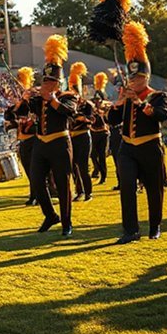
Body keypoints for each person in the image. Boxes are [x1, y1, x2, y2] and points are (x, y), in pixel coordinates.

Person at [109, 22, 167, 243]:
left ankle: (155, 226)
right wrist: (119, 102)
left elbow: (162, 116)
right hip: (127, 147)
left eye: (137, 78)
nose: (133, 81)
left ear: (146, 77)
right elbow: (112, 120)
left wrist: (140, 102)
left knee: (154, 189)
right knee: (126, 186)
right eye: (131, 78)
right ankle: (130, 230)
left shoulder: (157, 95)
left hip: (150, 146)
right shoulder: (126, 96)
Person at [27, 35, 78, 235]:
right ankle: (50, 215)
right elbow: (23, 112)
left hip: (60, 144)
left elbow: (70, 112)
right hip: (41, 144)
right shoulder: (38, 98)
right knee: (36, 180)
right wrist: (25, 98)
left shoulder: (68, 96)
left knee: (63, 183)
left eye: (50, 81)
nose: (46, 84)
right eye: (45, 81)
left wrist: (53, 100)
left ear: (58, 83)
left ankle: (67, 223)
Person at [3, 67, 37, 205]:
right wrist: (18, 104)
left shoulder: (33, 99)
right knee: (28, 169)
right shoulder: (17, 105)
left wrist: (27, 99)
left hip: (34, 139)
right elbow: (8, 116)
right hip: (22, 140)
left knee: (36, 169)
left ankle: (38, 194)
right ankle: (33, 194)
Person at [67, 62, 94, 202]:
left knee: (83, 166)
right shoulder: (67, 105)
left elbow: (91, 120)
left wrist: (81, 117)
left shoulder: (86, 105)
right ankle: (79, 191)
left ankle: (88, 193)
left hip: (83, 136)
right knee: (73, 167)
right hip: (71, 138)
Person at [89, 72, 111, 185]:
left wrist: (102, 112)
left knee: (102, 155)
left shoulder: (105, 108)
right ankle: (97, 169)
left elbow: (108, 120)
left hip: (103, 133)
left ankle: (103, 176)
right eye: (95, 100)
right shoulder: (91, 109)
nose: (96, 102)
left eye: (98, 100)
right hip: (93, 133)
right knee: (93, 155)